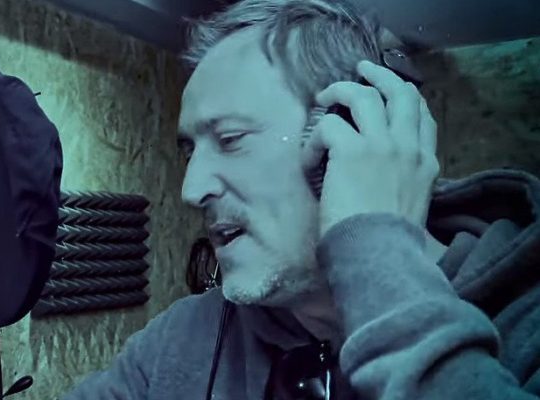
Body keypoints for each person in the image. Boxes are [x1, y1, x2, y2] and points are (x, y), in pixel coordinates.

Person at [63, 0, 540, 399]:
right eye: (190, 151)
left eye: (230, 139)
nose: (191, 190)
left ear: (350, 133)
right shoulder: (184, 339)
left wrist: (375, 257)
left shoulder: (528, 323)